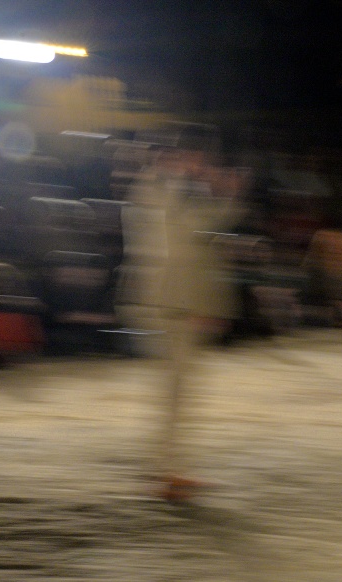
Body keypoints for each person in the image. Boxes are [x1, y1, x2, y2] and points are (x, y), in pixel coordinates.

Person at [115, 123, 245, 501]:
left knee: (178, 390)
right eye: (197, 158)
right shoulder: (157, 190)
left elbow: (199, 234)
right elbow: (178, 247)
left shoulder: (167, 188)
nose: (201, 165)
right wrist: (183, 306)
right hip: (165, 303)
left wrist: (226, 196)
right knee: (175, 390)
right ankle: (166, 472)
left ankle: (168, 468)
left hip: (171, 302)